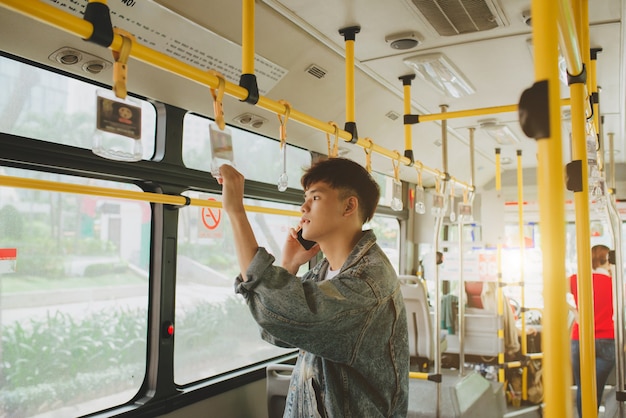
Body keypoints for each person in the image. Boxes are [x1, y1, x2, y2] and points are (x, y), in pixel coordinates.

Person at [217, 157, 409, 417]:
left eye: (315, 198)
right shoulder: (325, 270)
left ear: (349, 206)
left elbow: (286, 313)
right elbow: (278, 330)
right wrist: (289, 264)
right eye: (305, 197)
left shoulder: (368, 283)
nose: (303, 208)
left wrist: (236, 212)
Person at [570, 244, 615, 417]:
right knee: (597, 387)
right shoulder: (615, 284)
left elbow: (549, 291)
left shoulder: (577, 279)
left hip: (580, 338)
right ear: (608, 261)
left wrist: (574, 311)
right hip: (607, 339)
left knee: (583, 386)